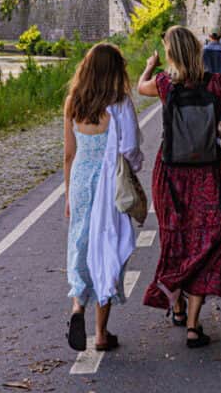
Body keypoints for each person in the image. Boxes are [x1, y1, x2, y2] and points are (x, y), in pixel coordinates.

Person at [137, 26, 221, 348]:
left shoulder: (165, 84)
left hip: (171, 175)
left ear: (170, 54)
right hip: (209, 173)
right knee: (207, 241)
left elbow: (140, 88)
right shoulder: (219, 85)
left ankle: (175, 302)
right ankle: (194, 325)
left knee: (175, 238)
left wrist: (149, 66)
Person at [64, 42, 144, 353]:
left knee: (81, 245)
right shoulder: (120, 105)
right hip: (110, 185)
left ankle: (76, 307)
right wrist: (135, 169)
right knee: (108, 247)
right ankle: (100, 333)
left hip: (82, 180)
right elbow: (131, 149)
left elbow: (69, 155)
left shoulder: (74, 102)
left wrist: (69, 195)